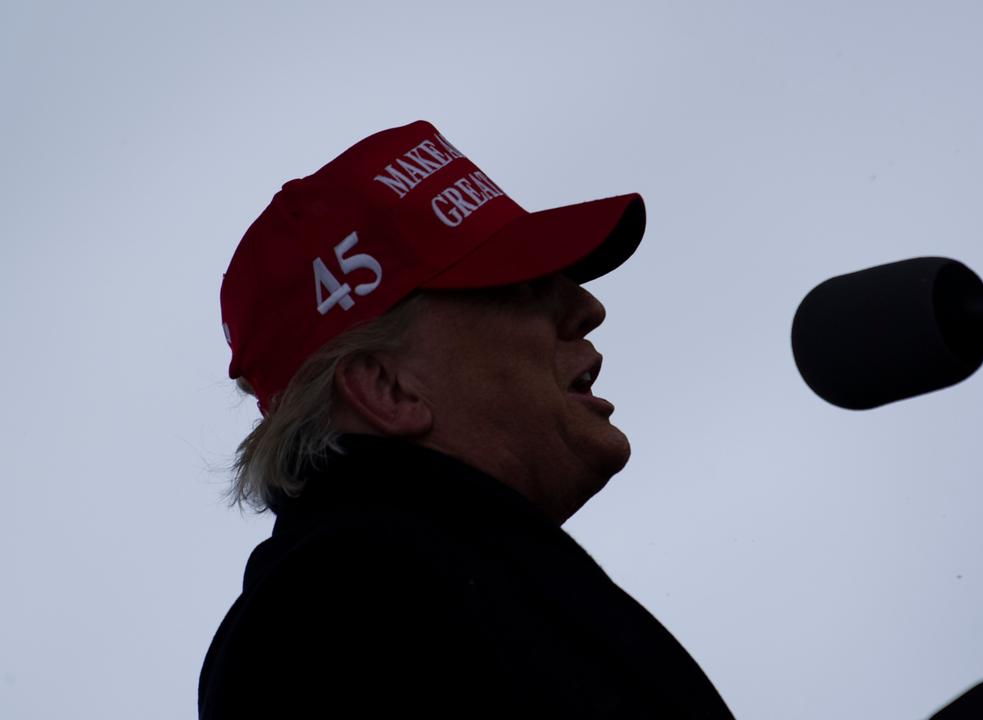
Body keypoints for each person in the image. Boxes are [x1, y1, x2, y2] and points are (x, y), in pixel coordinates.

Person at [198, 121, 735, 719]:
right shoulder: (339, 617)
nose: (586, 306)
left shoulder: (430, 587)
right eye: (519, 285)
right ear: (387, 387)